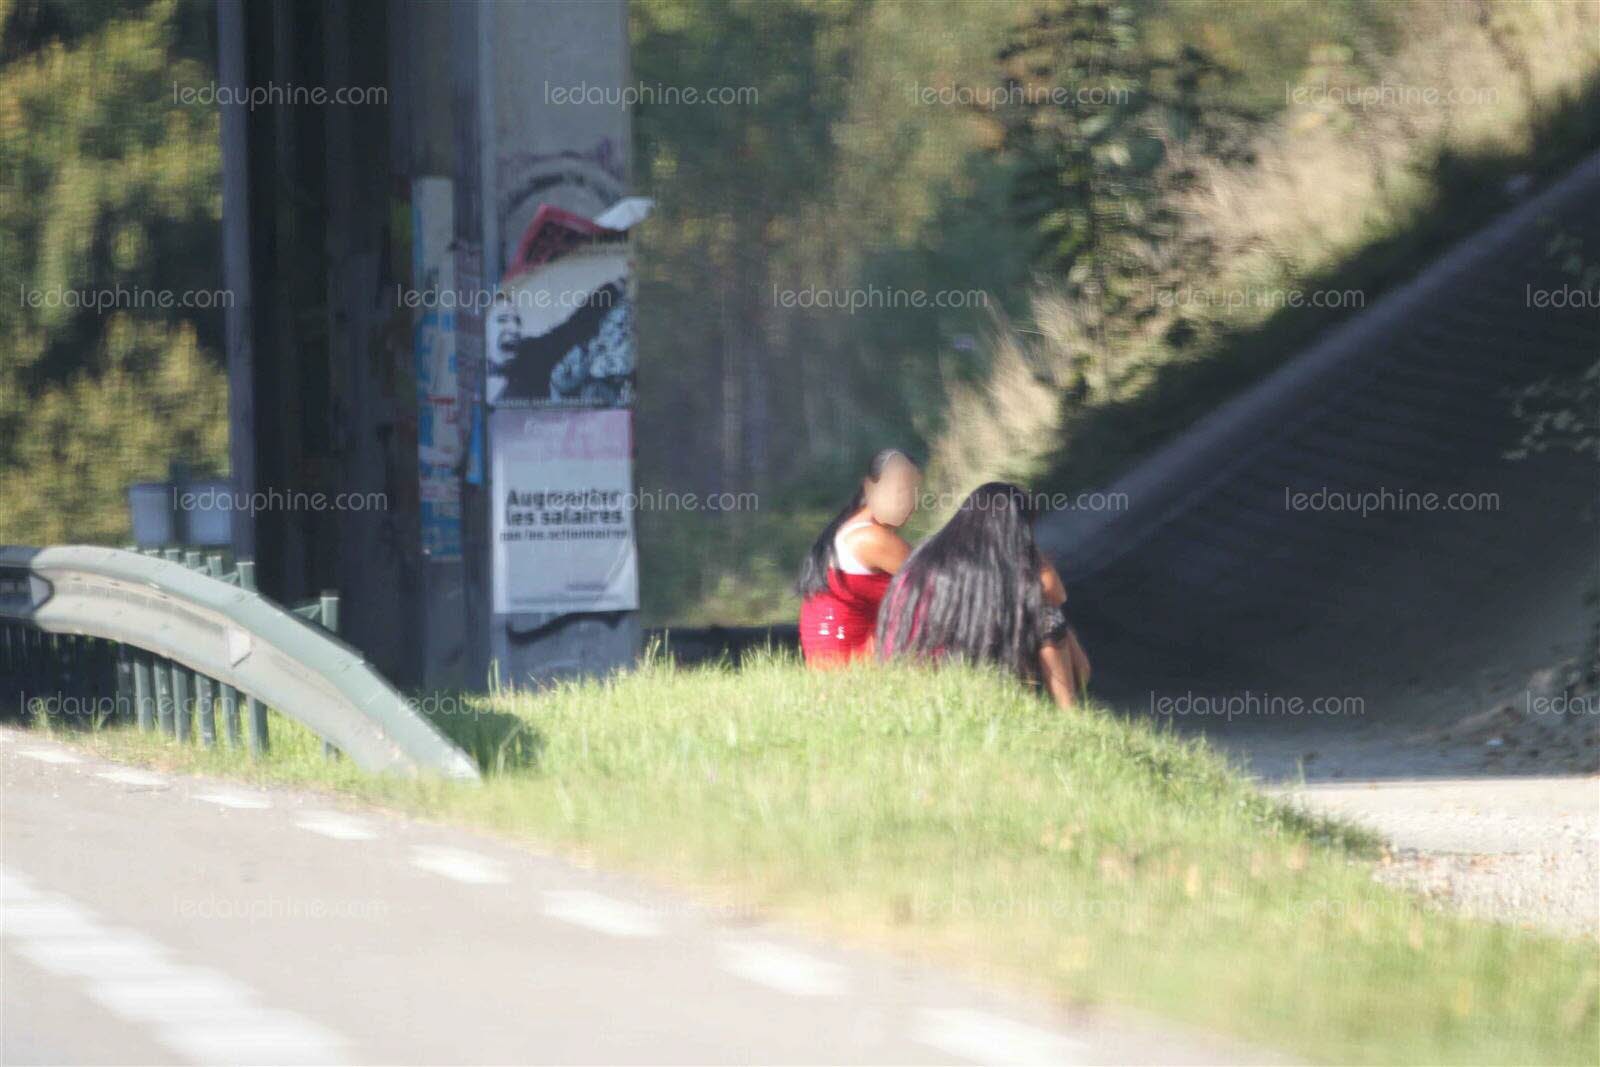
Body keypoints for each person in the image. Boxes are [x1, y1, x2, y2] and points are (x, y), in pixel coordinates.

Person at [876, 481, 1091, 707]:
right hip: (944, 676)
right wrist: (1029, 549)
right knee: (1047, 614)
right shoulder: (986, 568)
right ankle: (1068, 707)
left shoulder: (932, 552)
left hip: (905, 673)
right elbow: (1057, 593)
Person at [797, 449, 921, 666]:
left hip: (830, 666)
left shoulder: (846, 531)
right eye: (901, 491)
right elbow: (940, 582)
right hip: (851, 666)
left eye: (914, 492)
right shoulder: (871, 538)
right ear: (870, 488)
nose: (911, 503)